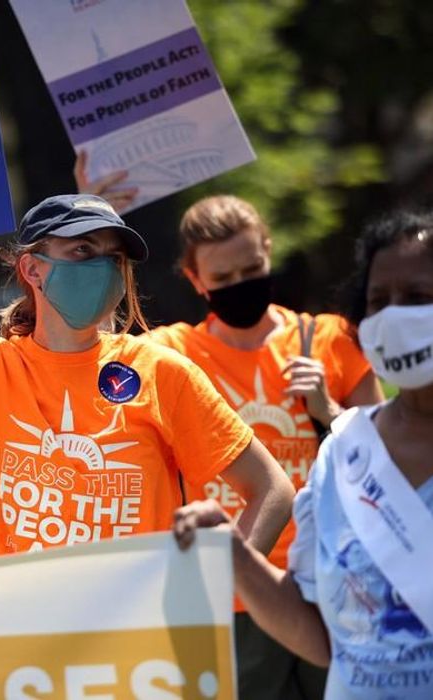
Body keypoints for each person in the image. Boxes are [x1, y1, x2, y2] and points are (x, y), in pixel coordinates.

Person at [0, 53, 293, 559]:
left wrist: (213, 588)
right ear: (32, 269)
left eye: (112, 256)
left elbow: (272, 490)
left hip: (136, 635)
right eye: (81, 251)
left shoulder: (162, 374)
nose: (101, 267)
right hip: (26, 632)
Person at [174, 207, 433, 700]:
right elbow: (326, 641)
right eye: (379, 301)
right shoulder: (341, 459)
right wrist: (233, 551)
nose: (395, 315)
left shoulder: (330, 346)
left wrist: (327, 407)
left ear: (268, 252)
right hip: (273, 592)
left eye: (418, 298)